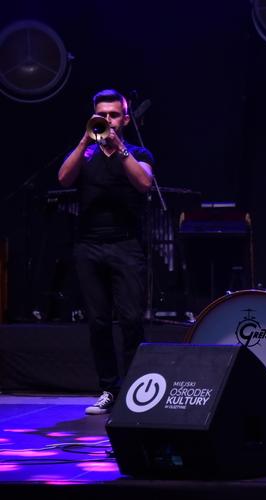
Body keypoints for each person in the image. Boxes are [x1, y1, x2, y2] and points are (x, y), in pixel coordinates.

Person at [58, 89, 154, 415]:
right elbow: (63, 178)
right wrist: (85, 141)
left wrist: (119, 148)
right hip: (88, 246)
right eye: (102, 115)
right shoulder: (85, 154)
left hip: (126, 245)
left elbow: (144, 183)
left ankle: (135, 389)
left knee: (130, 320)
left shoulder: (138, 152)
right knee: (98, 322)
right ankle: (109, 389)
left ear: (125, 119)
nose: (108, 120)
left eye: (114, 115)